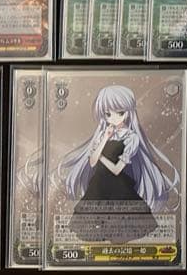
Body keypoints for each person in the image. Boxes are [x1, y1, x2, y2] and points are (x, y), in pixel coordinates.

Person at [56, 84, 179, 244]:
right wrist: (105, 138)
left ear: (127, 113)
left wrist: (101, 157)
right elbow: (92, 162)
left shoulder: (131, 137)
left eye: (119, 113)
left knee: (119, 230)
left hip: (118, 187)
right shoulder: (103, 133)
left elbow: (116, 169)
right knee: (91, 226)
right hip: (98, 185)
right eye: (107, 114)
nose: (112, 118)